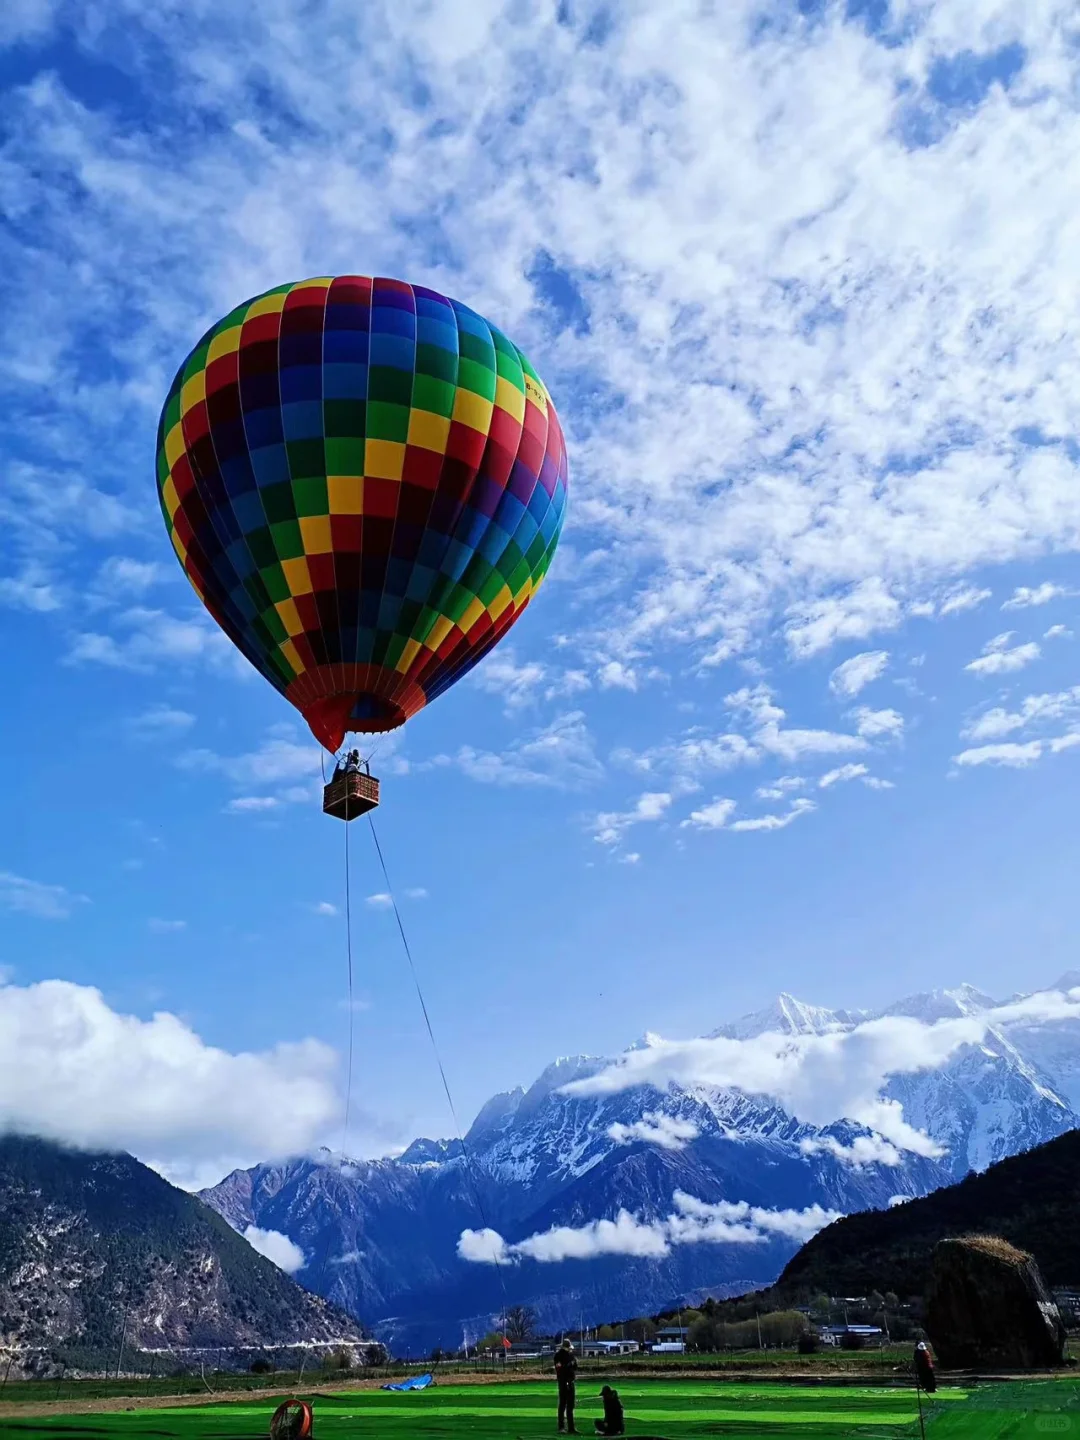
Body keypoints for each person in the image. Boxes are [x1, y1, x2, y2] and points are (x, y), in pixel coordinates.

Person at [554, 1338, 577, 1434]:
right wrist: (568, 1365)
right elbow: (559, 1368)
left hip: (571, 1381)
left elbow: (575, 1367)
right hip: (563, 1382)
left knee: (570, 1406)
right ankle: (561, 1427)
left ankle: (571, 1427)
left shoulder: (571, 1355)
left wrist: (574, 1363)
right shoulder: (558, 1356)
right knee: (563, 1404)